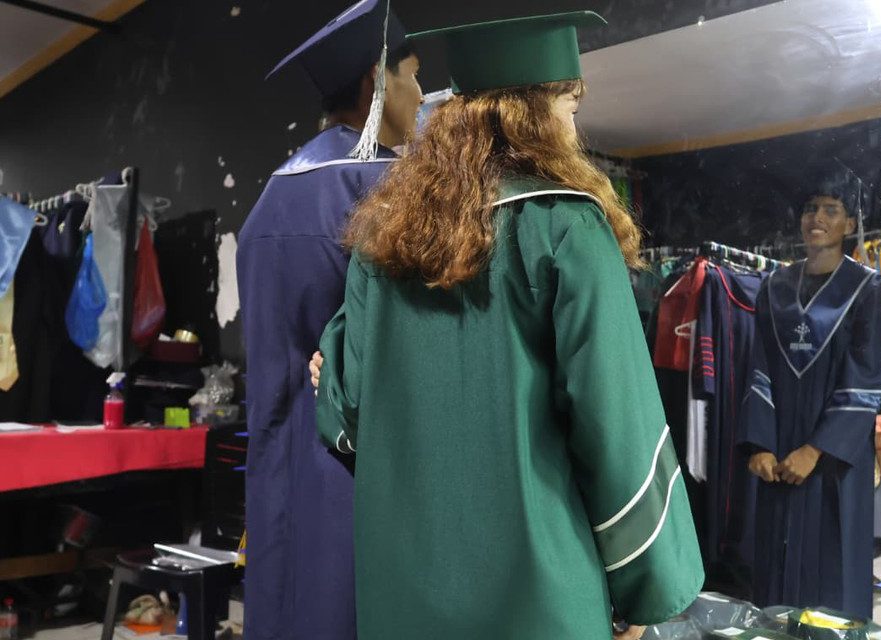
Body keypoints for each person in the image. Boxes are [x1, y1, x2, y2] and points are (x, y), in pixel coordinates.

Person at [311, 11, 703, 639]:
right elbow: (619, 434)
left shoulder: (380, 239)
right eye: (570, 105)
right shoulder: (568, 227)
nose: (574, 126)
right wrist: (645, 591)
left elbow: (347, 416)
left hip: (405, 595)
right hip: (542, 597)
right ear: (536, 112)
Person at [236, 2, 423, 638]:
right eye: (414, 76)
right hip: (366, 481)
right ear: (377, 82)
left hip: (277, 475)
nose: (421, 96)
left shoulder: (269, 198)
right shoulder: (395, 195)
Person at [739, 169, 881, 618]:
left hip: (834, 462)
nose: (817, 218)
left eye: (831, 209)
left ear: (850, 223)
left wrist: (816, 449)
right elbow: (759, 366)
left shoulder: (869, 288)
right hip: (779, 451)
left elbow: (865, 379)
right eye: (810, 208)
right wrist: (760, 443)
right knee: (775, 573)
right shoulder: (774, 287)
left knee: (834, 573)